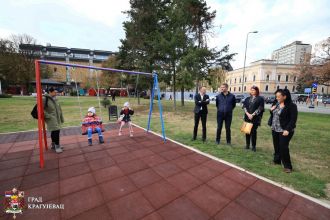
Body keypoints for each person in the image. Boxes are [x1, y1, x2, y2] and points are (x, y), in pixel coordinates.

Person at [268, 89, 298, 173]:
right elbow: (274, 115)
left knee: (283, 147)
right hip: (275, 128)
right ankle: (277, 161)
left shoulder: (292, 106)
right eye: (276, 96)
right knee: (276, 146)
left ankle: (288, 166)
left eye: (278, 97)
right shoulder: (276, 103)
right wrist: (271, 110)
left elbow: (293, 119)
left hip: (285, 130)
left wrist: (287, 129)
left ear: (284, 97)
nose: (276, 98)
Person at [242, 86, 265, 152]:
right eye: (251, 90)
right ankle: (247, 145)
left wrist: (252, 115)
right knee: (247, 131)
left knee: (253, 132)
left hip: (255, 118)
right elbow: (244, 107)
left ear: (257, 91)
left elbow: (260, 108)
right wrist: (248, 114)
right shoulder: (247, 98)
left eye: (254, 90)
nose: (252, 91)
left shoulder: (260, 99)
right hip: (247, 117)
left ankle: (253, 146)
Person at [43, 87, 64, 153]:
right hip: (51, 118)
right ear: (50, 92)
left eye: (56, 92)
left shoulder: (55, 99)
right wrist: (48, 116)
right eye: (55, 92)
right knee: (56, 131)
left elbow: (59, 109)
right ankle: (57, 146)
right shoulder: (45, 99)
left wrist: (61, 117)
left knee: (54, 131)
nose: (56, 93)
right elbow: (40, 109)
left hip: (57, 117)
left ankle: (53, 144)